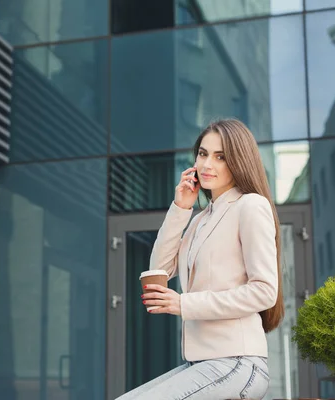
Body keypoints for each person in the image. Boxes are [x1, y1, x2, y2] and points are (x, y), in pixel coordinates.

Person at [116, 119, 283, 400]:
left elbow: (265, 292)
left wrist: (183, 303)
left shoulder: (250, 205)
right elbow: (159, 268)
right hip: (202, 363)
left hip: (237, 362)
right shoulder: (199, 221)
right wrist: (181, 208)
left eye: (221, 157)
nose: (207, 164)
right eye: (203, 154)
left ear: (239, 161)